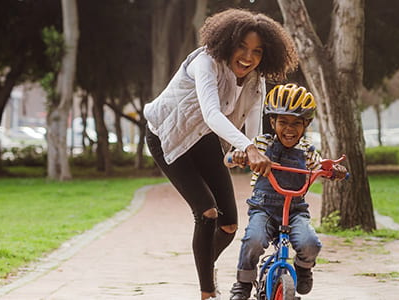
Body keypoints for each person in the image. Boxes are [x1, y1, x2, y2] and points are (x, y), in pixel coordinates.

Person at [143, 8, 298, 300]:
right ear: (227, 42)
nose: (248, 57)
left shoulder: (256, 81)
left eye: (257, 51)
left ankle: (205, 265)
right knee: (207, 212)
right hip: (166, 137)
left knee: (228, 226)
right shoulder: (205, 63)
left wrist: (252, 150)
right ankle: (207, 292)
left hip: (203, 140)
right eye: (242, 46)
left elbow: (253, 127)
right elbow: (212, 113)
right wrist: (248, 148)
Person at [225, 84, 347, 300]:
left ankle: (303, 268)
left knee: (310, 243)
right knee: (253, 240)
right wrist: (238, 157)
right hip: (264, 209)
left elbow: (321, 166)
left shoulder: (307, 151)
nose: (289, 129)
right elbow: (228, 159)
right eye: (283, 122)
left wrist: (333, 171)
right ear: (272, 122)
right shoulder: (261, 145)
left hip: (295, 211)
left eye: (296, 123)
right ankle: (243, 283)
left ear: (306, 124)